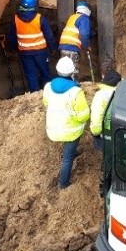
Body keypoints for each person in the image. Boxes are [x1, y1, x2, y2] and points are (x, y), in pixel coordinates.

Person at [44, 56, 90, 189]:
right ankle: (63, 184)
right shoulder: (75, 92)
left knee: (68, 151)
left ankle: (70, 151)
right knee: (67, 159)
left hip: (52, 129)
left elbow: (46, 103)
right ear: (72, 72)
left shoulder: (48, 87)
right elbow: (83, 115)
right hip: (70, 132)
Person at [7, 0, 56, 93]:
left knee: (31, 75)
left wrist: (14, 49)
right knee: (45, 73)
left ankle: (34, 96)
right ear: (34, 5)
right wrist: (53, 48)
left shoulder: (15, 19)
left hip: (25, 53)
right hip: (40, 52)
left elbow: (11, 37)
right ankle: (48, 93)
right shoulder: (40, 18)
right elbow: (49, 35)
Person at [58, 0, 92, 78]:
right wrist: (86, 46)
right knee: (72, 70)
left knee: (64, 69)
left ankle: (64, 87)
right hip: (72, 47)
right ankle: (73, 87)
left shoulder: (72, 17)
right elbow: (84, 34)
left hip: (63, 46)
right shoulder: (84, 18)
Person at [90, 69, 122, 152]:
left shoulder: (101, 95)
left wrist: (95, 132)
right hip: (121, 134)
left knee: (106, 156)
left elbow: (97, 116)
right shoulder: (124, 92)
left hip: (106, 134)